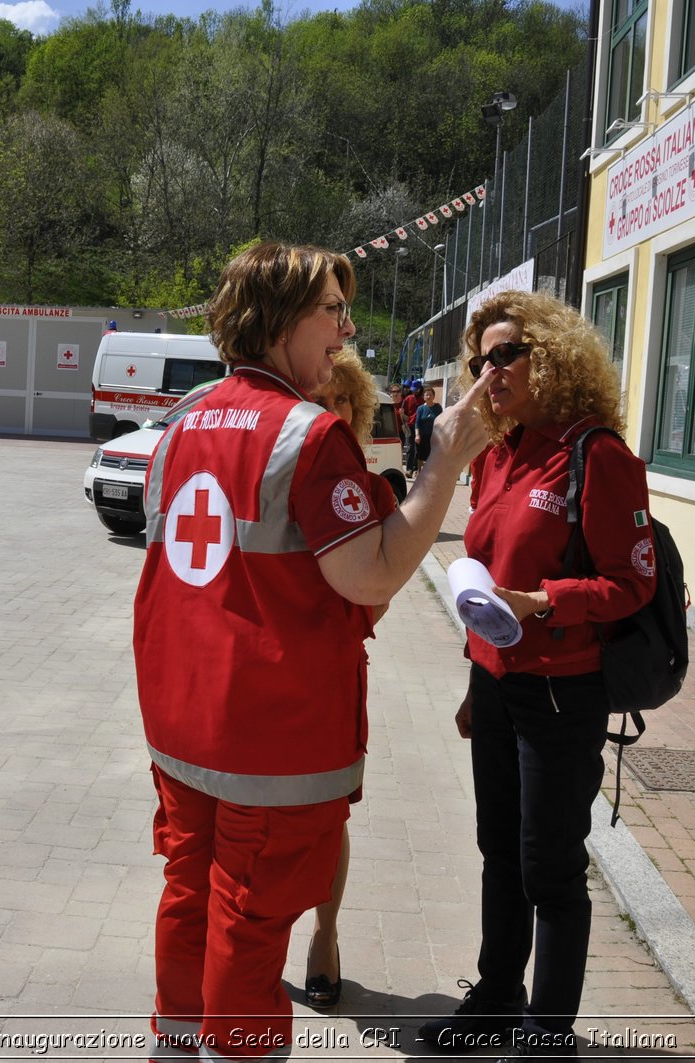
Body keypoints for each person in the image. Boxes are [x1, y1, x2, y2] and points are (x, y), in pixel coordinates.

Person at [134, 242, 491, 1063]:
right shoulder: (308, 432)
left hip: (183, 728)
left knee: (189, 895)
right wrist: (445, 466)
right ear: (281, 318)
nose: (346, 329)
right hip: (270, 736)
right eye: (333, 310)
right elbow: (368, 578)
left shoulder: (185, 418)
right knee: (250, 921)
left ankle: (175, 1049)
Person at [419, 290, 656, 1060]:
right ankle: (495, 995)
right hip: (497, 683)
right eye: (480, 358)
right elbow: (487, 575)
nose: (490, 371)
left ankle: (547, 1034)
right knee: (499, 847)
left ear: (549, 356)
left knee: (550, 863)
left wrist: (546, 601)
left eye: (506, 353)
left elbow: (633, 582)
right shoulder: (499, 450)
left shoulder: (597, 453)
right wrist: (473, 677)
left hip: (562, 689)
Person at [301, 348, 391, 1011]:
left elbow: (369, 604)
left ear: (355, 413)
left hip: (329, 677)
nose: (328, 412)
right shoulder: (278, 474)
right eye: (318, 398)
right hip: (264, 678)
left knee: (327, 816)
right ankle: (258, 940)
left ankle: (324, 937)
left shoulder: (375, 492)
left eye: (341, 402)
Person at [413, 386, 443, 468]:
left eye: (430, 395)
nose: (428, 396)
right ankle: (419, 471)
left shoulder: (438, 407)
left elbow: (441, 421)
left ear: (433, 396)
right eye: (426, 395)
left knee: (431, 455)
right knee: (420, 455)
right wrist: (417, 435)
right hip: (422, 436)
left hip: (434, 436)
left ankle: (429, 472)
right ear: (424, 397)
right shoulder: (420, 408)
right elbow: (417, 423)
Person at [400, 382, 421, 474]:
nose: (414, 391)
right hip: (409, 426)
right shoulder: (408, 399)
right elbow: (402, 412)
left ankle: (416, 468)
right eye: (413, 389)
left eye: (416, 389)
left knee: (418, 448)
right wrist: (405, 418)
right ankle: (409, 469)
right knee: (410, 447)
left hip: (420, 426)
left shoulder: (422, 399)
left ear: (420, 389)